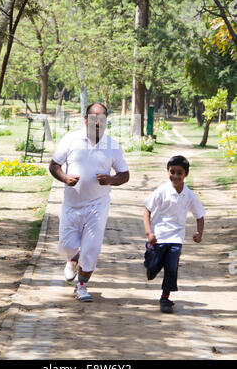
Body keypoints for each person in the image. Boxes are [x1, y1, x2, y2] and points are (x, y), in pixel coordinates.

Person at [49, 103, 129, 302]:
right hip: (71, 204)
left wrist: (110, 180)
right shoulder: (71, 139)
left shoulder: (112, 145)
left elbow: (124, 174)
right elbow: (54, 166)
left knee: (91, 247)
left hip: (97, 204)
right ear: (85, 119)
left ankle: (82, 286)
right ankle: (72, 258)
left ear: (105, 121)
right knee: (67, 246)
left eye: (101, 118)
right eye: (93, 117)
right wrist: (65, 178)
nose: (97, 122)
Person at [143, 155, 205, 313]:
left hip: (176, 238)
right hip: (158, 236)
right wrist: (149, 233)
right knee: (153, 268)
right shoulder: (162, 191)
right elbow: (147, 211)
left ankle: (165, 298)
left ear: (186, 174)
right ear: (168, 171)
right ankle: (150, 259)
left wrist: (199, 232)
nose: (175, 176)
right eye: (172, 172)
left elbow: (199, 215)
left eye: (179, 173)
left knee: (171, 267)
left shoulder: (189, 195)